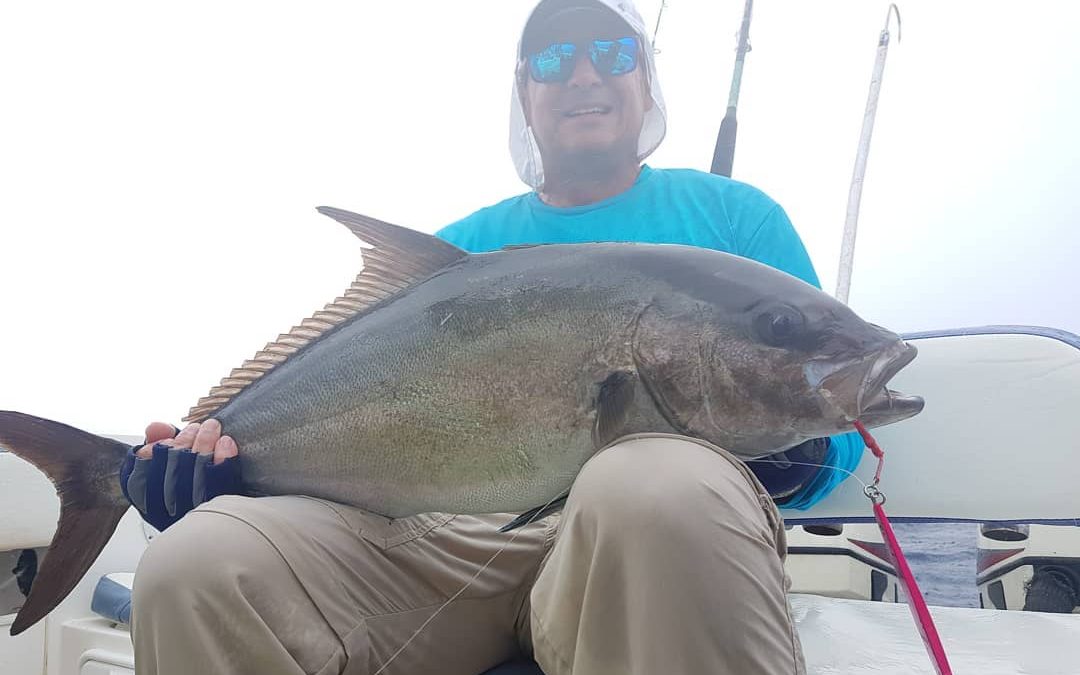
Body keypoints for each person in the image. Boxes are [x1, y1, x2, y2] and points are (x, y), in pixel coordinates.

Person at [125, 1, 863, 673]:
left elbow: (844, 428)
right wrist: (220, 466)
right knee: (194, 564)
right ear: (524, 96)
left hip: (643, 549)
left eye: (610, 51)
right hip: (438, 550)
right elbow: (357, 426)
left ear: (645, 80)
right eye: (551, 58)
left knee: (651, 483)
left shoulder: (735, 220)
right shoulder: (462, 250)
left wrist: (801, 456)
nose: (581, 74)